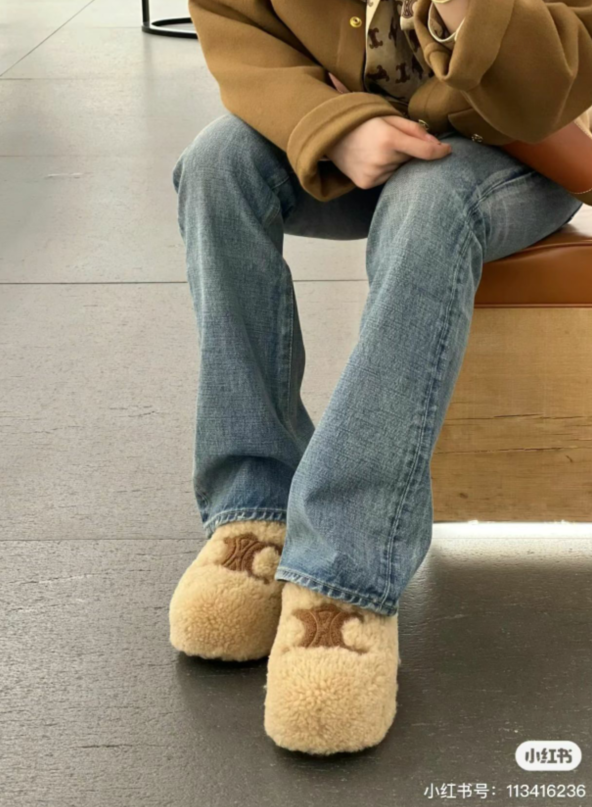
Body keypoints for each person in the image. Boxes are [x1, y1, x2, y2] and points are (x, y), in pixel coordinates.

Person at [168, 0, 590, 756]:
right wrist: (333, 124)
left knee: (430, 202)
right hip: (350, 120)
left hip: (513, 143)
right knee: (215, 165)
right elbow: (236, 24)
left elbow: (564, 74)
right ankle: (252, 508)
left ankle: (344, 573)